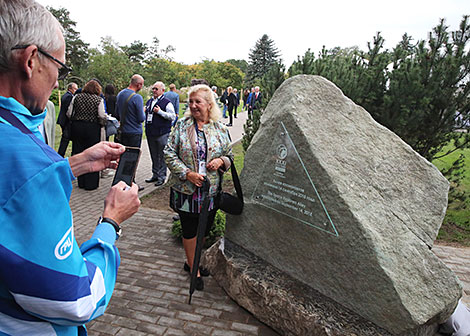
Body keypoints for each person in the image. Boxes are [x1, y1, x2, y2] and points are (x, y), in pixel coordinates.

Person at [0, 1, 140, 334]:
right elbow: (76, 300)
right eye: (59, 68)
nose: (58, 81)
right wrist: (110, 223)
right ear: (31, 60)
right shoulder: (31, 164)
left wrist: (73, 164)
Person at [164, 84, 233, 291]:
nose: (193, 106)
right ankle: (194, 269)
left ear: (209, 105)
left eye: (198, 102)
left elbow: (229, 154)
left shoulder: (220, 128)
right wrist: (188, 174)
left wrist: (221, 161)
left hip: (210, 192)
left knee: (204, 228)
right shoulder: (181, 126)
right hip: (186, 190)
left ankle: (190, 261)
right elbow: (168, 152)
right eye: (191, 102)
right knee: (189, 229)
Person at [67, 79, 107, 190]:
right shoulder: (98, 100)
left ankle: (81, 181)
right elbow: (101, 115)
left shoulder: (76, 97)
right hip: (92, 128)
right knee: (93, 154)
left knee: (80, 153)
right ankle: (91, 183)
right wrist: (104, 123)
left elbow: (69, 113)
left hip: (77, 127)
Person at [116, 74, 145, 191]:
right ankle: (130, 182)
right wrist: (143, 110)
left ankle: (120, 181)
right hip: (134, 132)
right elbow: (141, 118)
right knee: (132, 159)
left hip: (122, 131)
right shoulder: (137, 98)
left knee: (122, 157)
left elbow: (117, 113)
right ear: (138, 84)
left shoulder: (120, 94)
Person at [144, 81, 176, 186]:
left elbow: (172, 116)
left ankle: (162, 176)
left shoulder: (167, 102)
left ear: (162, 90)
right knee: (153, 155)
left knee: (162, 155)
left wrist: (160, 112)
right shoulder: (149, 101)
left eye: (156, 89)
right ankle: (155, 174)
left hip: (162, 132)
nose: (154, 91)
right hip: (150, 132)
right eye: (153, 88)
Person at [57, 82, 78, 156]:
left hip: (63, 120)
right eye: (75, 88)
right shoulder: (69, 97)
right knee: (65, 138)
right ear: (70, 89)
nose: (76, 90)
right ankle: (61, 153)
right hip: (66, 121)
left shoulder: (65, 95)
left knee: (65, 138)